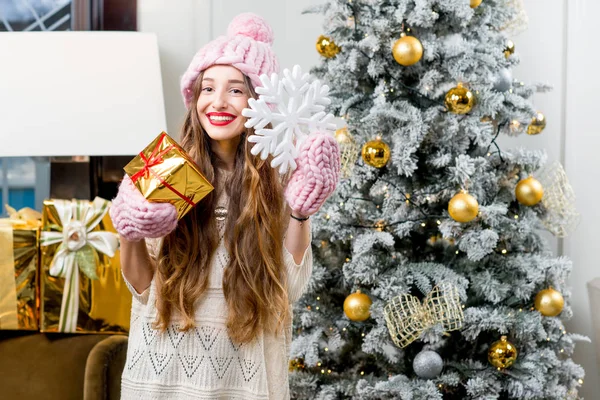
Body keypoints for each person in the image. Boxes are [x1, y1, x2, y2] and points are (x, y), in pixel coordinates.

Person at [109, 12, 340, 400]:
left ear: (261, 101)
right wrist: (128, 230)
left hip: (244, 382)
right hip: (161, 379)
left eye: (235, 90)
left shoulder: (281, 174)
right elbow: (143, 289)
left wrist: (301, 211)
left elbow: (290, 287)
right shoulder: (167, 165)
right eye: (207, 88)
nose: (217, 102)